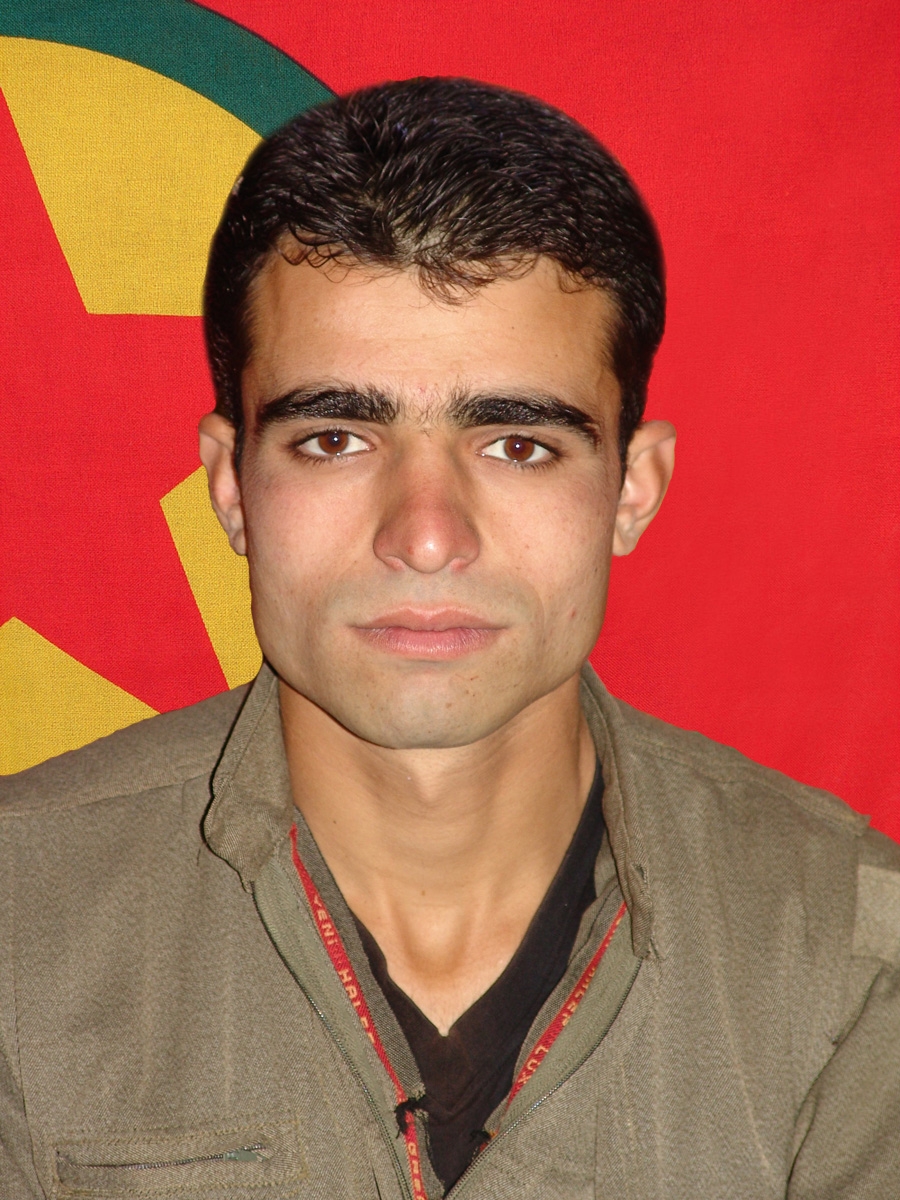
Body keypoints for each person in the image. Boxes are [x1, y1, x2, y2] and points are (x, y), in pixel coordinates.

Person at [1, 77, 898, 1200]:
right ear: (231, 486)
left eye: (518, 445)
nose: (426, 537)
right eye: (335, 439)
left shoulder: (851, 952)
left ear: (632, 487)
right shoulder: (18, 931)